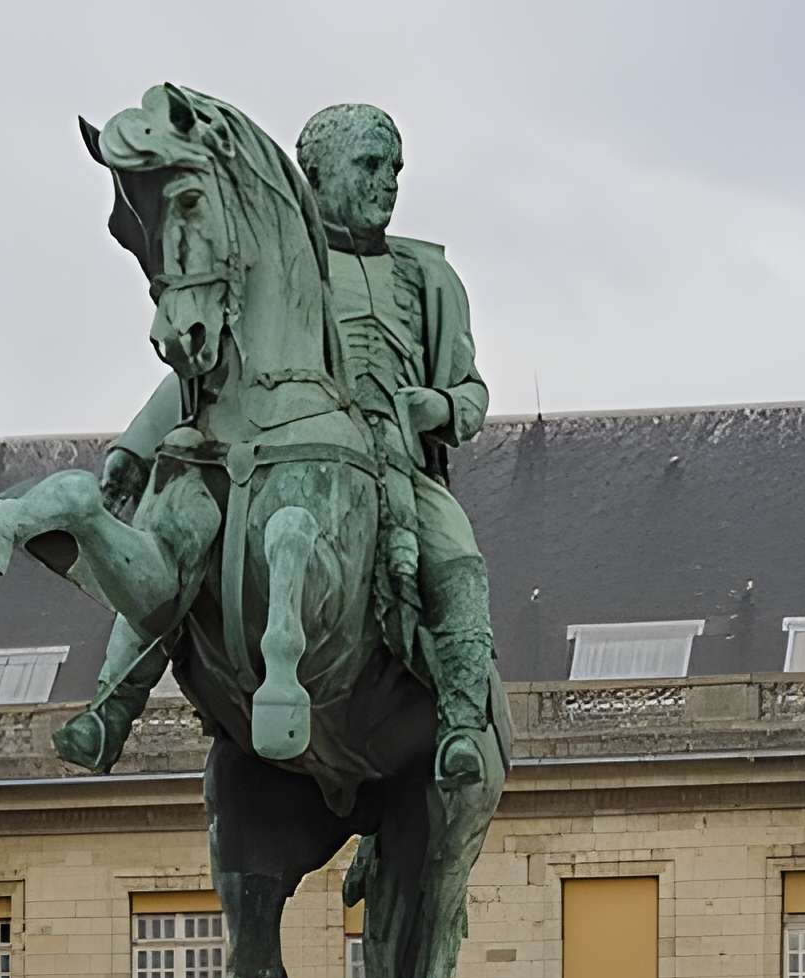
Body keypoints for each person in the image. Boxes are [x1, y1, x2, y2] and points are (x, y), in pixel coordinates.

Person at [54, 100, 496, 789]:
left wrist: (435, 404)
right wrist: (135, 449)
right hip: (266, 461)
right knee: (182, 532)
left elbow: (470, 393)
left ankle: (465, 724)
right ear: (315, 173)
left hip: (395, 471)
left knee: (457, 557)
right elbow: (208, 370)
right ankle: (116, 704)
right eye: (372, 165)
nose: (390, 183)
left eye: (397, 168)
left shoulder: (428, 276)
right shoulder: (273, 267)